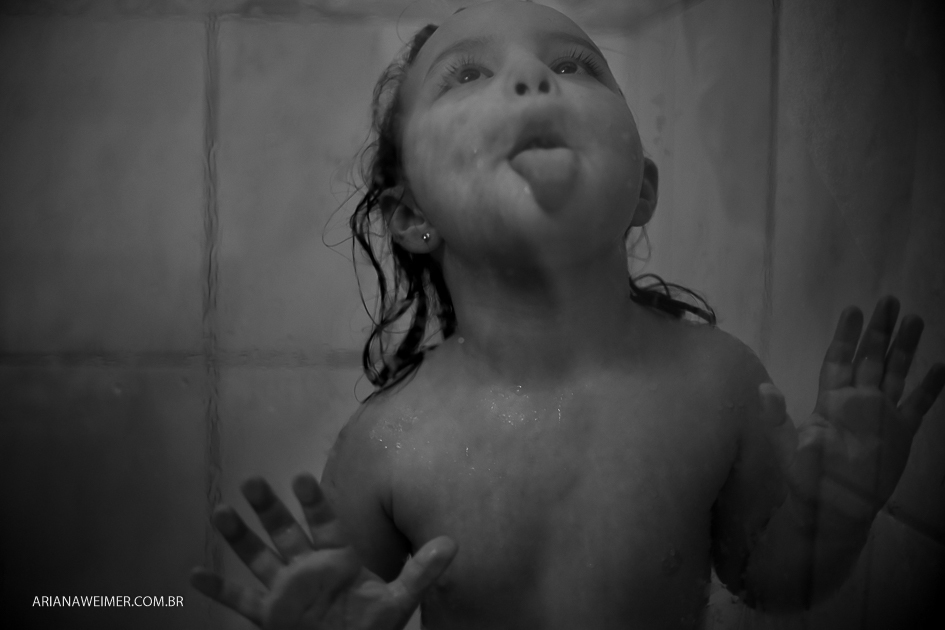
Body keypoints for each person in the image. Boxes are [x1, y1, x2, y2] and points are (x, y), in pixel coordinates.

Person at [190, 2, 945, 628]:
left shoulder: (718, 382)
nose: (531, 77)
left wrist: (829, 513)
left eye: (575, 66)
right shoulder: (386, 444)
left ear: (641, 189)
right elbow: (351, 605)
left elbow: (768, 584)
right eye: (467, 75)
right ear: (413, 215)